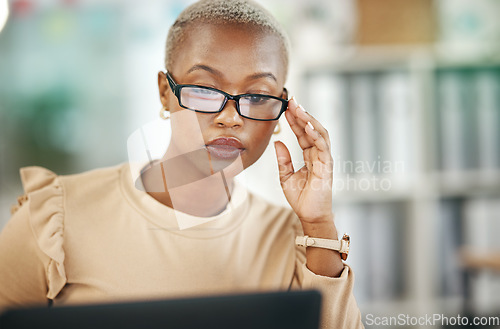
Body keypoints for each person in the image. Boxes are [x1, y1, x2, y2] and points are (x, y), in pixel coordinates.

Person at [0, 0, 363, 328]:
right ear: (165, 92)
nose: (231, 118)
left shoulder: (299, 241)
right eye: (205, 90)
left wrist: (319, 223)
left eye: (256, 95)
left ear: (282, 107)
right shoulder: (56, 217)